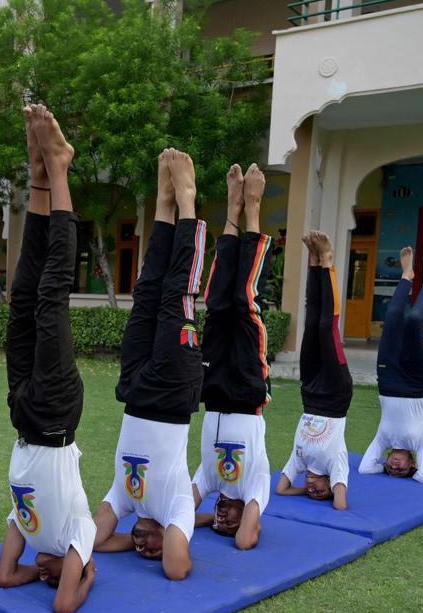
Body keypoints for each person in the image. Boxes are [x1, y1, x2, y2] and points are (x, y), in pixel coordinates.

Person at [0, 104, 96, 613]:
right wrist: (82, 576)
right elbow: (62, 607)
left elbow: (6, 576)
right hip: (55, 417)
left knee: (24, 294)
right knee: (53, 292)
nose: (57, 574)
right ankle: (60, 167)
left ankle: (38, 179)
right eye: (69, 572)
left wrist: (37, 567)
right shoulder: (79, 533)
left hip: (22, 411)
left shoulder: (27, 529)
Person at [92, 149, 207, 581]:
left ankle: (162, 205)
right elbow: (177, 569)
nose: (142, 543)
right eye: (147, 546)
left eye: (139, 544)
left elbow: (96, 538)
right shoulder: (177, 506)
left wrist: (127, 541)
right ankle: (188, 200)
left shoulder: (124, 500)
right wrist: (167, 541)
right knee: (179, 292)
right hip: (175, 392)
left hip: (135, 391)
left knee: (145, 292)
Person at [191, 163, 273, 550]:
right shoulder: (256, 486)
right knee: (244, 301)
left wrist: (208, 518)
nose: (223, 516)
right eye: (229, 520)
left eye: (220, 520)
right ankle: (252, 207)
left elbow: (181, 512)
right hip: (246, 390)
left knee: (217, 302)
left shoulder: (208, 479)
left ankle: (231, 212)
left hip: (213, 387)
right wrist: (235, 525)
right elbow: (243, 542)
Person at [276, 230, 353, 509]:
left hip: (309, 394)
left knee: (310, 322)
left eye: (311, 492)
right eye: (318, 491)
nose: (311, 488)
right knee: (325, 325)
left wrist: (304, 491)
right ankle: (328, 260)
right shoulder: (337, 465)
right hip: (335, 394)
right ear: (331, 485)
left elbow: (282, 489)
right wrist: (332, 490)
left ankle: (313, 260)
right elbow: (341, 505)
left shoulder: (300, 459)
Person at [359, 248, 423, 484]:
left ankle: (407, 275)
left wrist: (383, 469)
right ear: (413, 463)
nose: (394, 467)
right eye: (402, 469)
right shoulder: (421, 443)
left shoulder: (382, 440)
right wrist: (414, 473)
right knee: (415, 320)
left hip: (387, 381)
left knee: (393, 316)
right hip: (416, 384)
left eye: (391, 470)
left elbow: (365, 469)